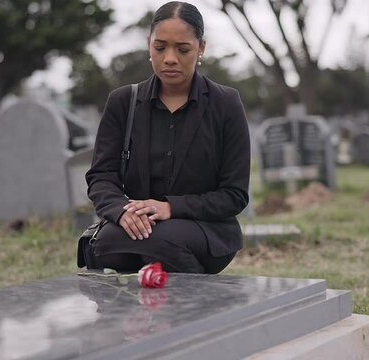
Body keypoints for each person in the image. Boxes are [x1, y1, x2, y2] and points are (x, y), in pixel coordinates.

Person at [82, 1, 250, 274]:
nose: (169, 58)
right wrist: (121, 211)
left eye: (183, 49)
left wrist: (172, 207)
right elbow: (101, 176)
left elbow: (234, 195)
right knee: (105, 242)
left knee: (161, 241)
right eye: (160, 47)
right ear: (149, 45)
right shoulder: (123, 102)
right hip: (137, 227)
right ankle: (164, 292)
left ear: (201, 48)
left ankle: (192, 302)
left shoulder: (226, 103)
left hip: (205, 231)